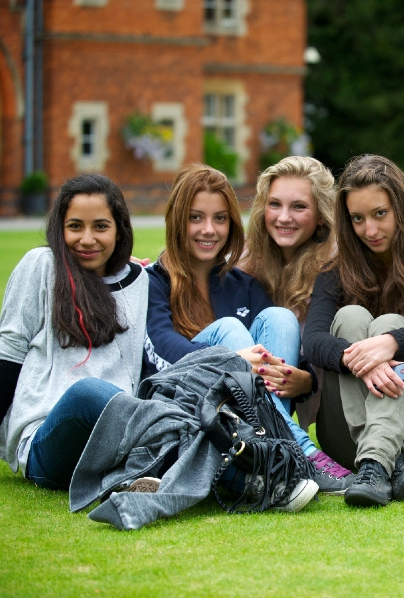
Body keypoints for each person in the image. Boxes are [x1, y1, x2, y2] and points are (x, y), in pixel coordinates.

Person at [143, 163, 347, 495]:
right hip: (187, 405)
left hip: (243, 417)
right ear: (176, 220)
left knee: (280, 317)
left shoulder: (243, 283)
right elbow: (161, 347)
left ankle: (275, 454)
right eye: (195, 217)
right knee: (228, 329)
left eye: (220, 219)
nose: (208, 229)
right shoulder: (154, 281)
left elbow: (276, 355)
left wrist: (306, 379)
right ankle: (299, 450)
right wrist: (232, 361)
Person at [0, 174, 148, 490]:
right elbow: (7, 364)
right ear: (60, 229)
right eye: (75, 226)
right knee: (88, 392)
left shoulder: (141, 281)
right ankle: (151, 459)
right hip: (48, 442)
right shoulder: (42, 267)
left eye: (100, 226)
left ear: (119, 229)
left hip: (118, 438)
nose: (87, 239)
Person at [302, 154, 404, 507]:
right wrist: (362, 359)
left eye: (380, 214)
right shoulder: (334, 273)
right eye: (357, 219)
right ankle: (386, 461)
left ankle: (378, 464)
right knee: (352, 316)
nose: (369, 230)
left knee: (389, 324)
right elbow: (312, 342)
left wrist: (390, 343)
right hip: (346, 437)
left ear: (402, 209)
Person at [238, 155, 335, 442]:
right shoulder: (246, 258)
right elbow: (195, 270)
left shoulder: (338, 267)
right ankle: (285, 442)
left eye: (299, 207)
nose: (283, 217)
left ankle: (284, 442)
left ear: (320, 216)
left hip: (332, 401)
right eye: (275, 204)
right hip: (257, 385)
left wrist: (308, 382)